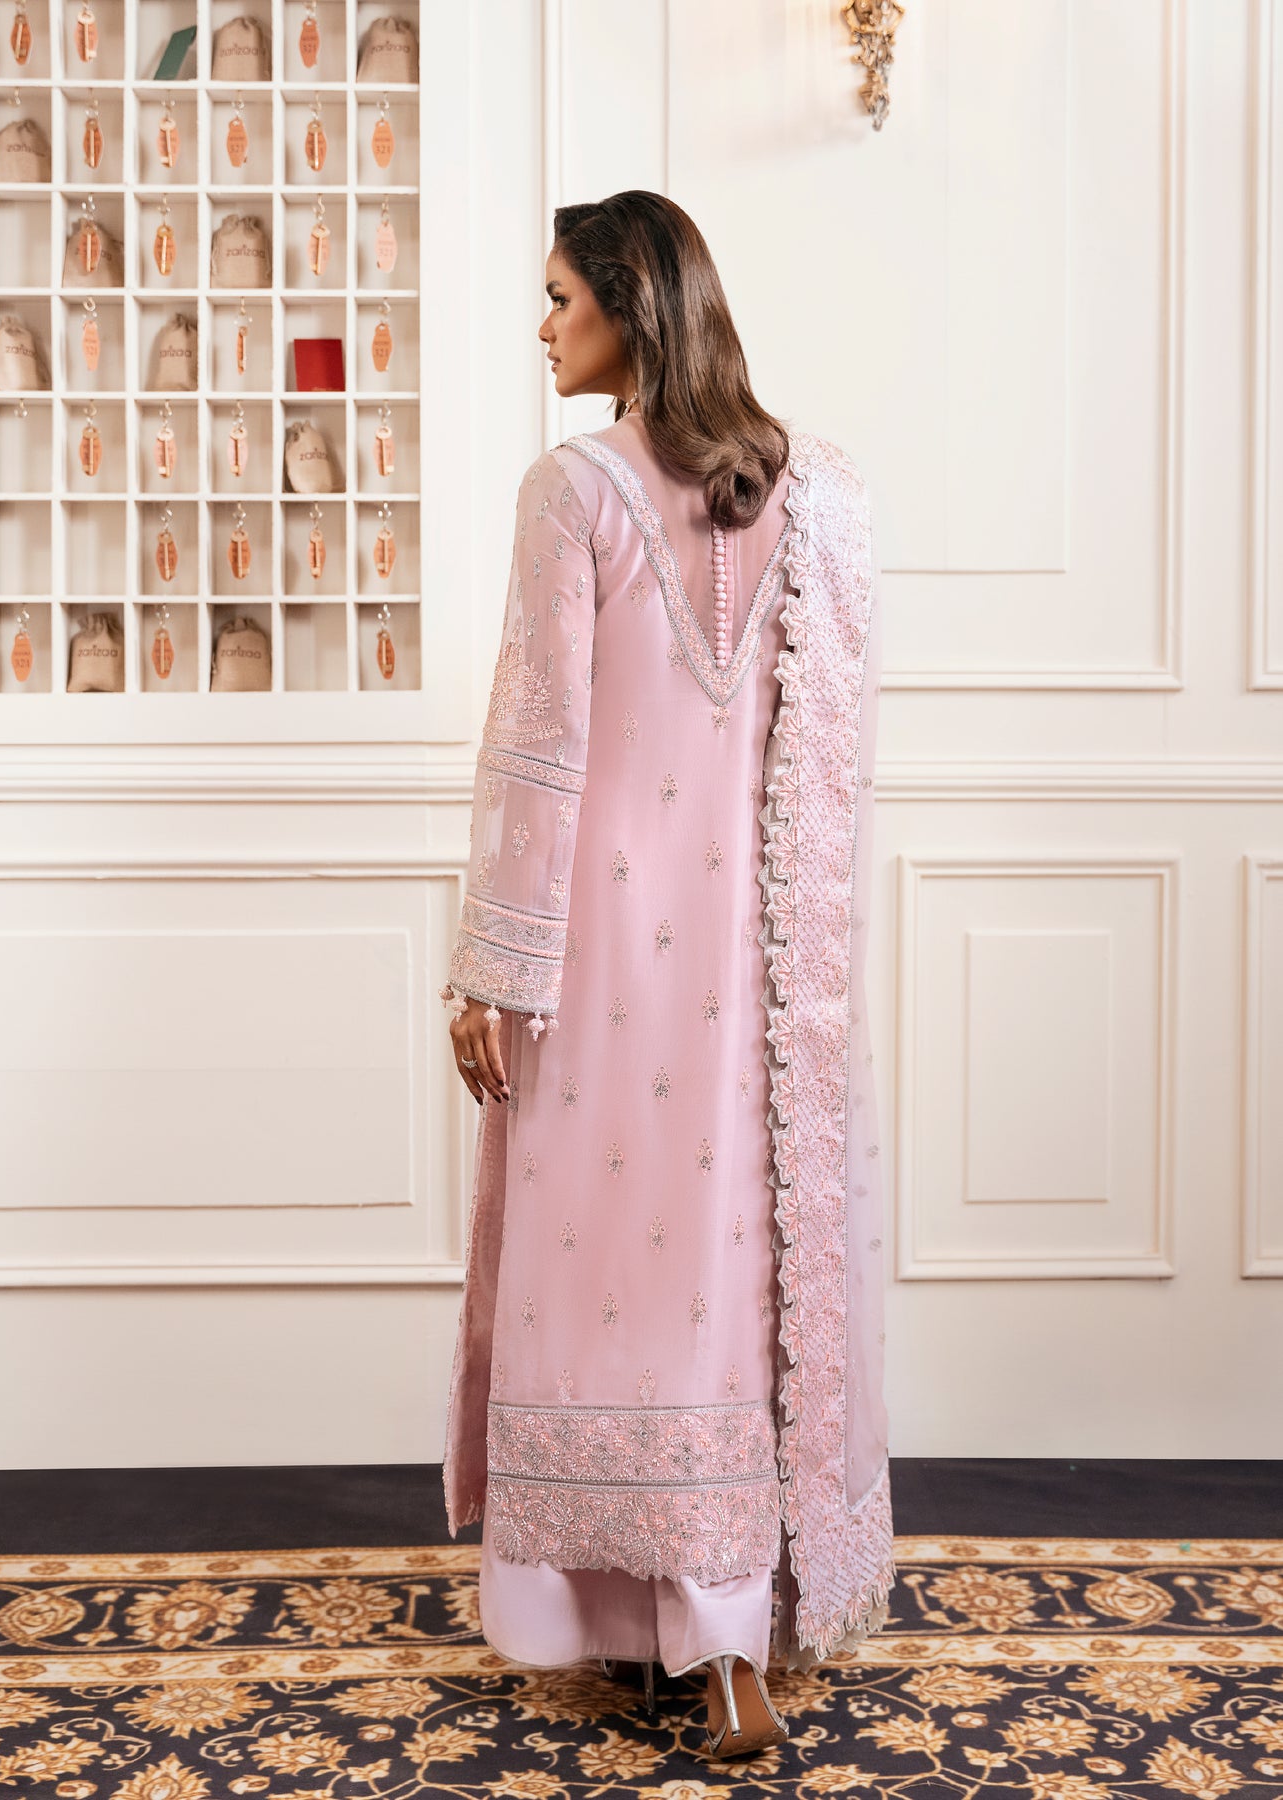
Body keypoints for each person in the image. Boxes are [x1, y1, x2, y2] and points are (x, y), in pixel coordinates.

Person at [439, 190, 894, 1761]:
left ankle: (653, 1626)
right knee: (728, 1278)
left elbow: (539, 741)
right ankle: (720, 1638)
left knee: (613, 1286)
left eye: (560, 297)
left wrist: (492, 971)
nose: (542, 326)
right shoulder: (814, 495)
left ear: (629, 311)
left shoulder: (571, 489)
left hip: (599, 960)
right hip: (760, 978)